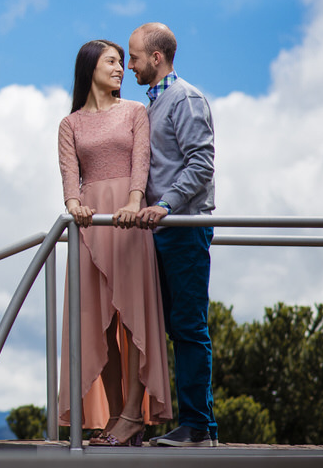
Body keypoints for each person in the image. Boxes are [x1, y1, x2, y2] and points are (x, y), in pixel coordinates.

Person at [57, 39, 173, 447]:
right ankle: (114, 416)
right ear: (90, 67)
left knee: (132, 317)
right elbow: (71, 179)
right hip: (91, 225)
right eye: (112, 61)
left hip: (127, 219)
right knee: (99, 324)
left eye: (124, 62)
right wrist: (75, 207)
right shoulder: (70, 124)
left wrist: (134, 202)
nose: (121, 68)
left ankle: (132, 415)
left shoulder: (135, 112)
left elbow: (141, 163)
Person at [127, 22, 218, 447]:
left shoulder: (186, 99)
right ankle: (187, 422)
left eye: (135, 57)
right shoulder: (151, 107)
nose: (130, 65)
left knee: (188, 326)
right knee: (171, 325)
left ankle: (199, 427)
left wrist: (164, 206)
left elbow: (201, 165)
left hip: (183, 228)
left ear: (156, 58)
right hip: (161, 231)